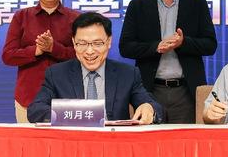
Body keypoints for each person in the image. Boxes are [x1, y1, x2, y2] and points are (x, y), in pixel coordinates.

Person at [119, 0, 217, 124]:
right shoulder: (138, 5)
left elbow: (210, 45)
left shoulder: (197, 3)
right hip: (148, 91)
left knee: (185, 139)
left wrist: (183, 43)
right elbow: (125, 47)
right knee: (148, 139)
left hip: (186, 91)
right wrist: (155, 47)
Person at [28, 12, 162, 124]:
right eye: (82, 43)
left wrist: (149, 108)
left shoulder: (127, 74)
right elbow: (35, 110)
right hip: (73, 141)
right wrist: (74, 116)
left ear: (109, 42)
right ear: (74, 43)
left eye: (97, 43)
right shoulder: (57, 74)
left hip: (114, 142)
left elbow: (152, 104)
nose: (90, 51)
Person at [2, 0, 80, 123]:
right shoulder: (21, 16)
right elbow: (8, 56)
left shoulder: (76, 18)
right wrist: (36, 50)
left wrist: (54, 48)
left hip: (67, 97)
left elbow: (84, 55)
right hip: (28, 98)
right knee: (29, 140)